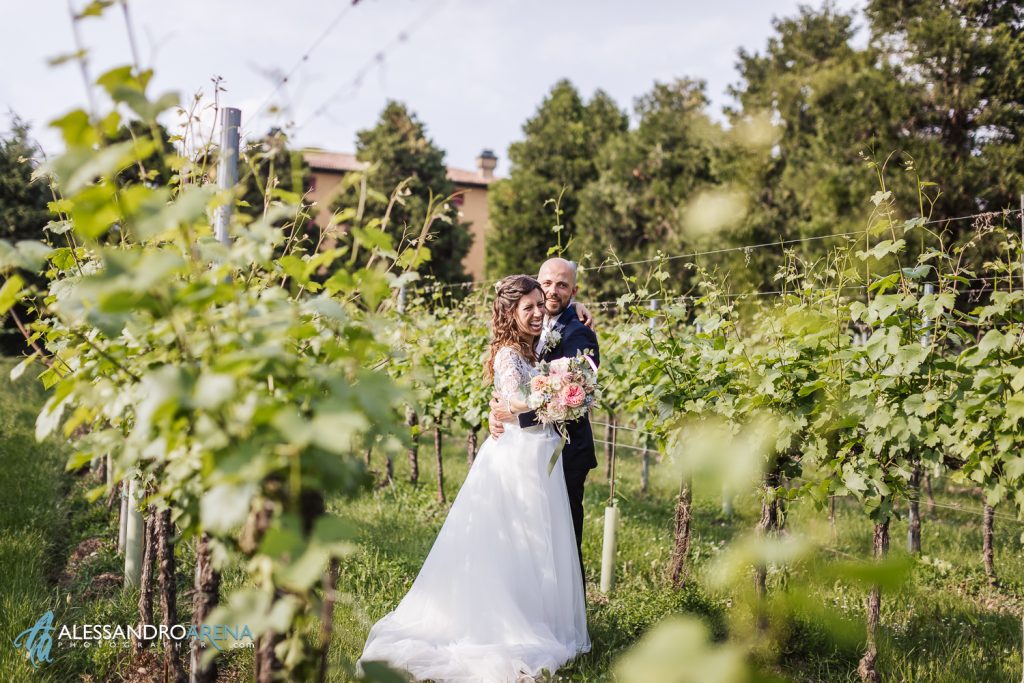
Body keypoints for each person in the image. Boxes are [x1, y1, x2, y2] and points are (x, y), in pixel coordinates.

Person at [357, 274, 590, 683]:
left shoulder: (540, 343)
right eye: (528, 307)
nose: (537, 313)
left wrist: (553, 393)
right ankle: (506, 622)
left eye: (540, 304)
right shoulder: (506, 354)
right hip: (517, 458)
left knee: (539, 542)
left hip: (539, 455)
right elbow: (515, 399)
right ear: (510, 312)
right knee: (514, 539)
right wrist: (554, 396)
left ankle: (537, 614)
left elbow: (518, 399)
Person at [489, 258, 599, 585]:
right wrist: (500, 412)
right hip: (529, 450)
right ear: (537, 284)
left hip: (564, 453)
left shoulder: (579, 332)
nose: (552, 291)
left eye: (562, 285)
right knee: (530, 537)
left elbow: (578, 399)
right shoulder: (530, 329)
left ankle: (567, 611)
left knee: (563, 540)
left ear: (573, 290)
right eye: (547, 284)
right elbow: (511, 383)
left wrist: (515, 413)